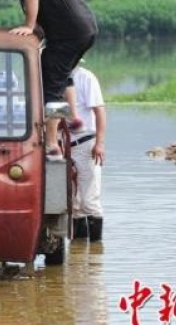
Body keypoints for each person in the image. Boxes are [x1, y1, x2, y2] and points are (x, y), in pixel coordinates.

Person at [0, 0, 98, 160]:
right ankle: (73, 119)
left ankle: (52, 143)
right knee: (58, 73)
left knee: (52, 85)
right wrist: (35, 30)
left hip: (70, 34)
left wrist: (28, 27)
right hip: (83, 30)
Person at [69, 63, 106, 242]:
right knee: (73, 204)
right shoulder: (55, 75)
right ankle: (78, 251)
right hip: (63, 144)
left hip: (85, 142)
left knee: (89, 200)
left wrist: (99, 143)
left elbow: (99, 111)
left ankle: (96, 248)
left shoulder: (86, 77)